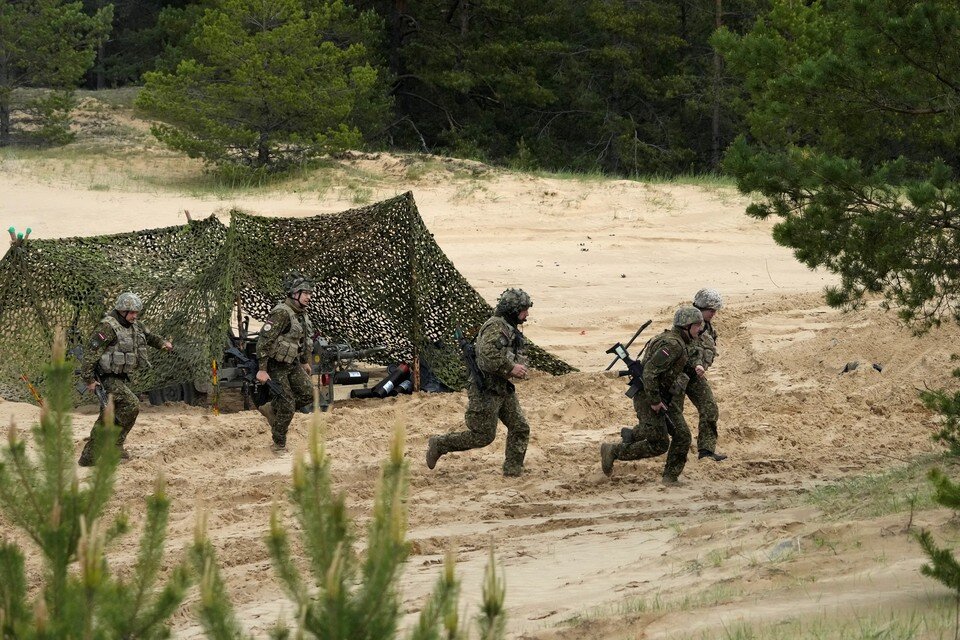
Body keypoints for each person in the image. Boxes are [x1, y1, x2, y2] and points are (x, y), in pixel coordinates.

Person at [426, 288, 532, 477]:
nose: (526, 314)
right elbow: (486, 357)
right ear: (513, 310)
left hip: (502, 388)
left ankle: (513, 470)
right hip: (486, 390)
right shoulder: (496, 328)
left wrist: (516, 366)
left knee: (520, 427)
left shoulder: (508, 328)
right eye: (523, 310)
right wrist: (511, 368)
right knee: (483, 436)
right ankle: (440, 444)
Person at [600, 306, 703, 486]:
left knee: (682, 435)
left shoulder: (677, 341)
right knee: (659, 443)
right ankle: (613, 451)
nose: (699, 329)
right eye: (696, 326)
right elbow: (649, 374)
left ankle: (670, 478)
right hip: (649, 395)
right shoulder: (673, 345)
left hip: (663, 396)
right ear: (686, 326)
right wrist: (655, 401)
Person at [77, 292, 173, 466]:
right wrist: (89, 380)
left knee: (108, 416)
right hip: (106, 378)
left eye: (137, 312)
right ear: (122, 311)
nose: (135, 316)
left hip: (120, 378)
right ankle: (115, 446)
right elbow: (90, 354)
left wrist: (163, 344)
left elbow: (149, 337)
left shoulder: (134, 325)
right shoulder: (107, 327)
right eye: (132, 312)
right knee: (131, 404)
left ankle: (89, 457)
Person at [256, 272, 316, 452]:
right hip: (276, 365)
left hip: (292, 363)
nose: (309, 297)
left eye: (310, 294)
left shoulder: (301, 314)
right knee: (288, 404)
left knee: (307, 394)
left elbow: (303, 340)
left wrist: (305, 361)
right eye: (305, 293)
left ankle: (272, 408)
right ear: (294, 293)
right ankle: (279, 443)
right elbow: (263, 342)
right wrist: (262, 369)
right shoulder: (281, 313)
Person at [686, 288, 727, 462]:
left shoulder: (709, 330)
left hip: (695, 376)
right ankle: (634, 437)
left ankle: (706, 451)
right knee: (666, 419)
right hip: (676, 376)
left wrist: (701, 366)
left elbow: (708, 353)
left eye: (715, 310)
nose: (714, 314)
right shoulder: (686, 323)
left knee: (710, 409)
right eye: (711, 310)